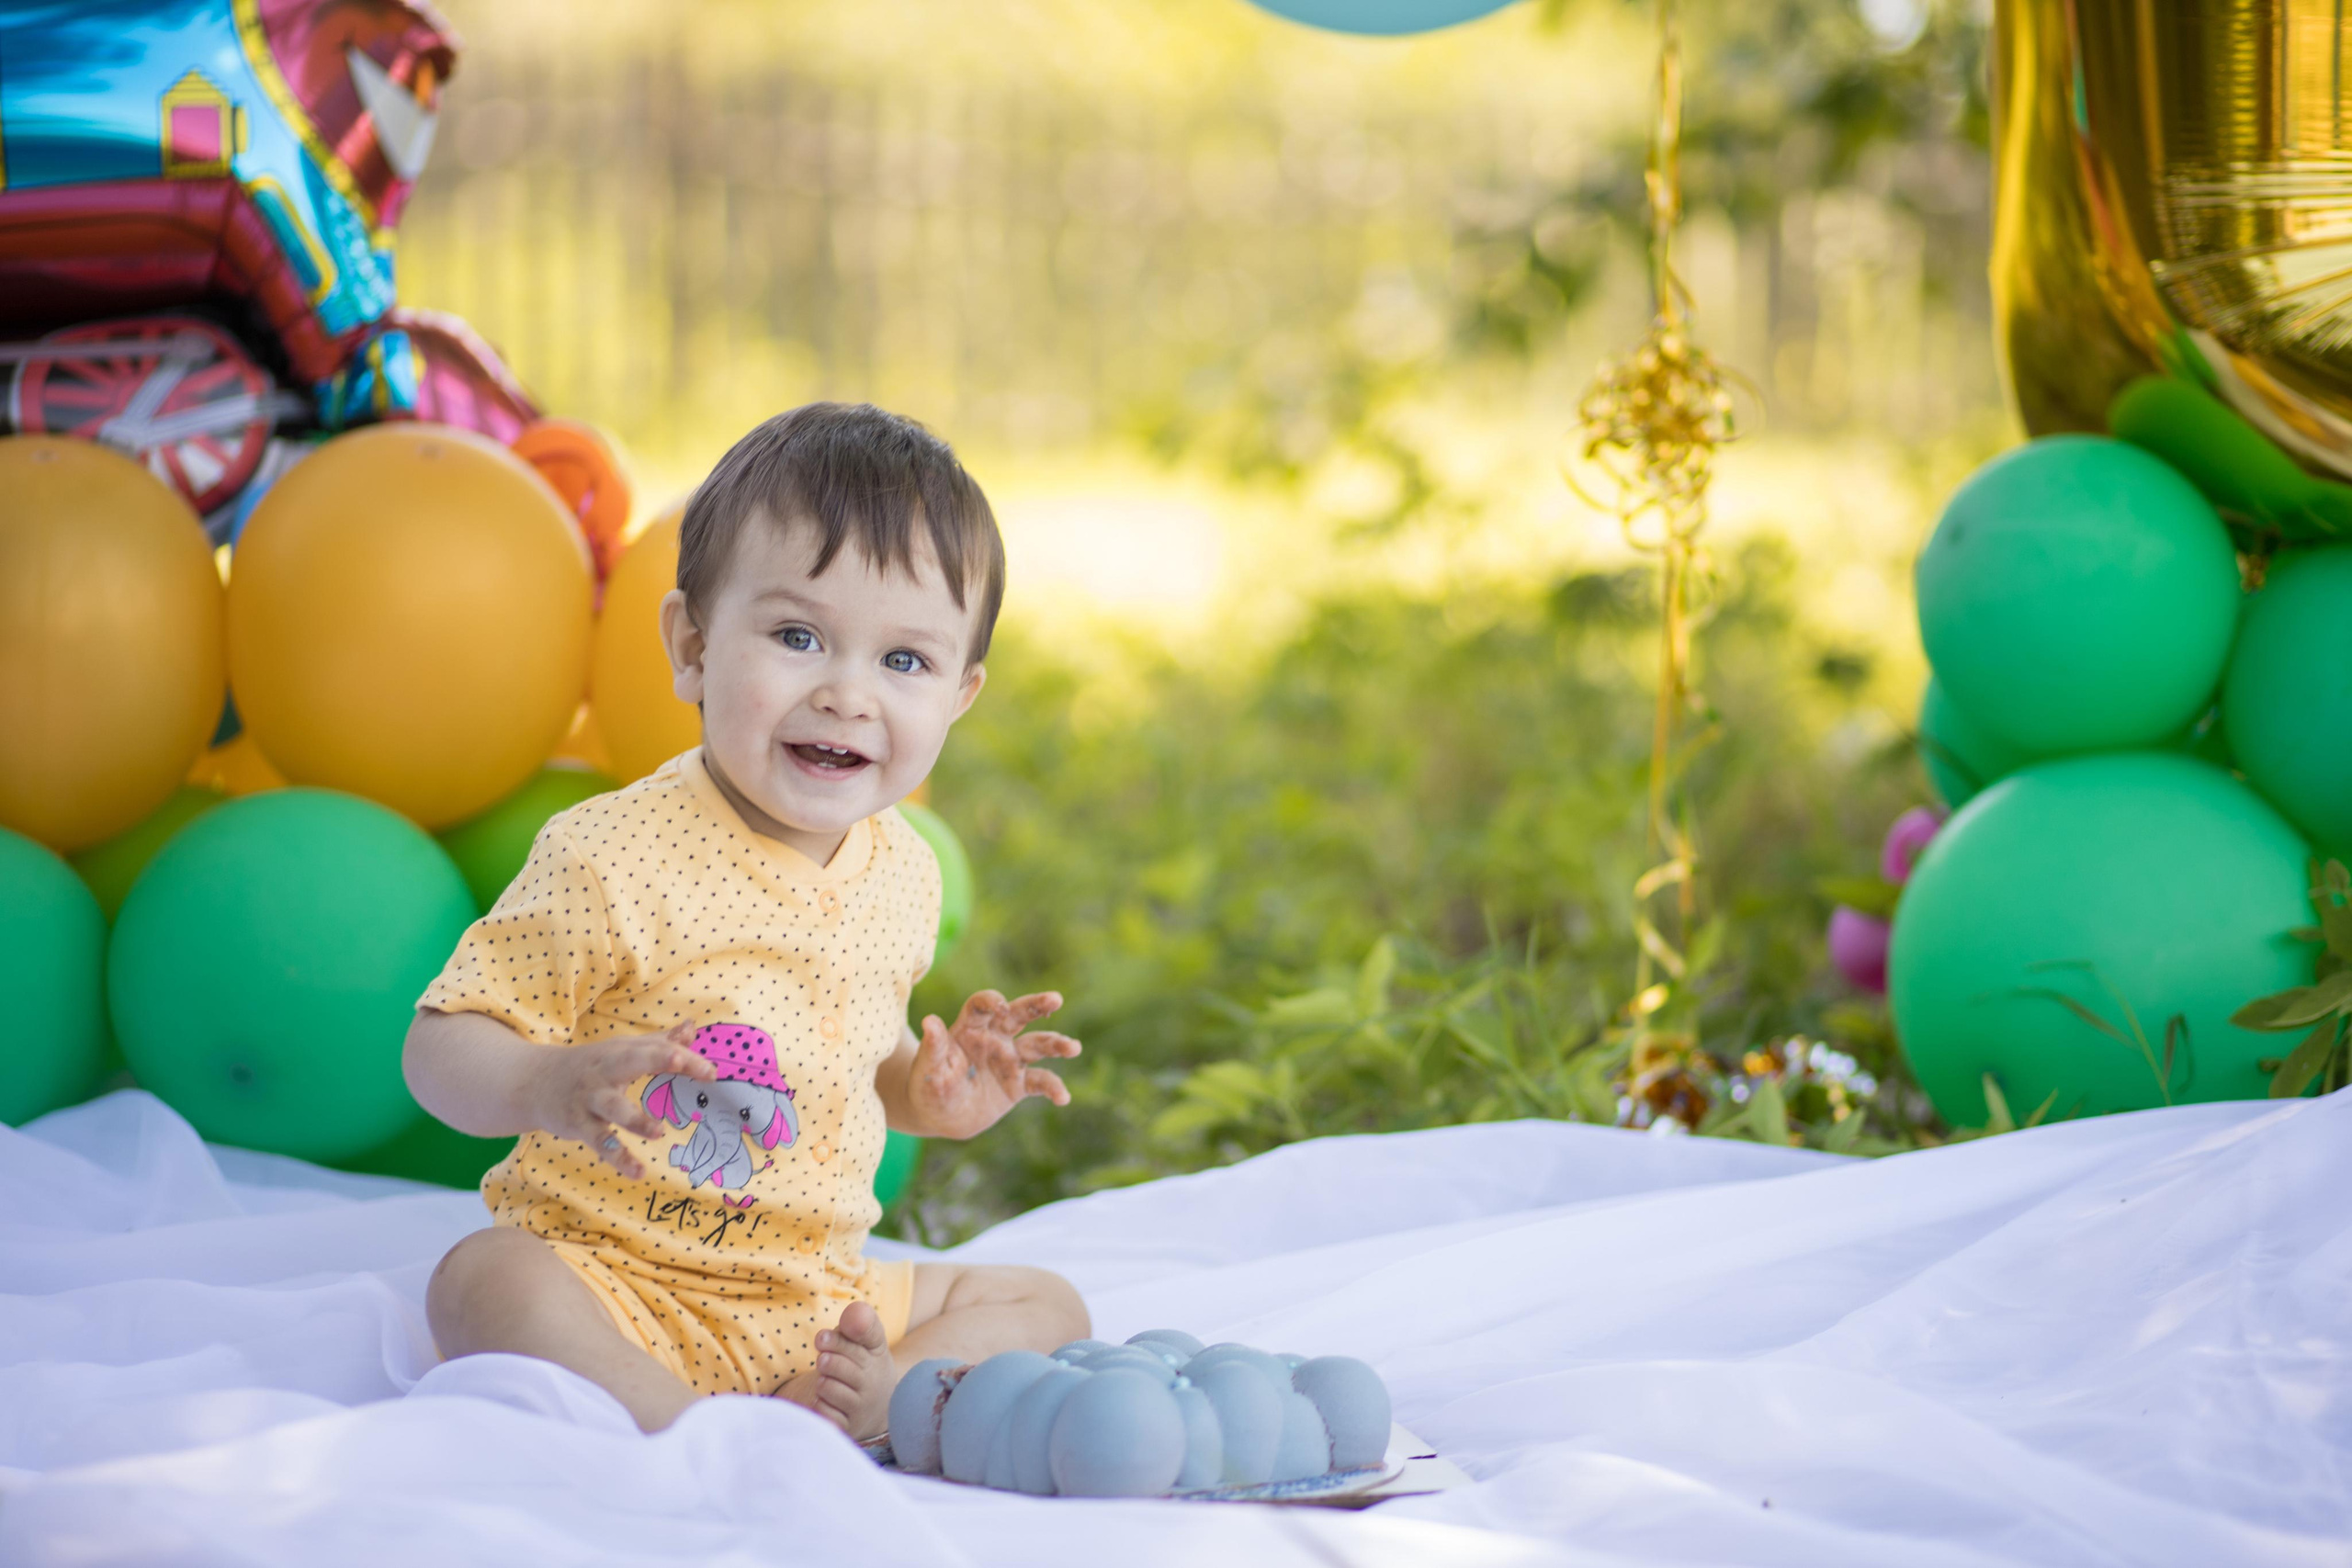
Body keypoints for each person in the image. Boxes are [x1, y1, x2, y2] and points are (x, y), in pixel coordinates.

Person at [404, 402, 1089, 1438]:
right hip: (618, 1277)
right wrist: (543, 1081)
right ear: (691, 644)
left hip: (814, 1304)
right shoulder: (614, 855)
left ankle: (864, 1397)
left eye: (904, 662)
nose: (846, 694)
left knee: (1049, 1304)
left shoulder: (902, 869)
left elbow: (849, 1070)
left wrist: (931, 1093)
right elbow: (438, 1047)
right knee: (481, 1281)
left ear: (960, 694)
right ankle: (695, 1431)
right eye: (797, 636)